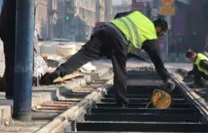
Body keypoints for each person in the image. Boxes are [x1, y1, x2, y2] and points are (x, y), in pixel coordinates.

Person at [40, 10, 172, 107]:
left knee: (84, 55)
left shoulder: (138, 15)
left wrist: (113, 37)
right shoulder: (151, 34)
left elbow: (119, 15)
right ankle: (122, 103)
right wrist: (166, 78)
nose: (159, 37)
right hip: (120, 40)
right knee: (120, 70)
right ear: (159, 29)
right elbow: (157, 61)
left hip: (106, 29)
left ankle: (58, 72)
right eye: (161, 34)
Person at [0, 0, 40, 99]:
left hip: (7, 30)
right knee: (18, 61)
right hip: (16, 31)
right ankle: (16, 91)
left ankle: (11, 91)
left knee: (10, 61)